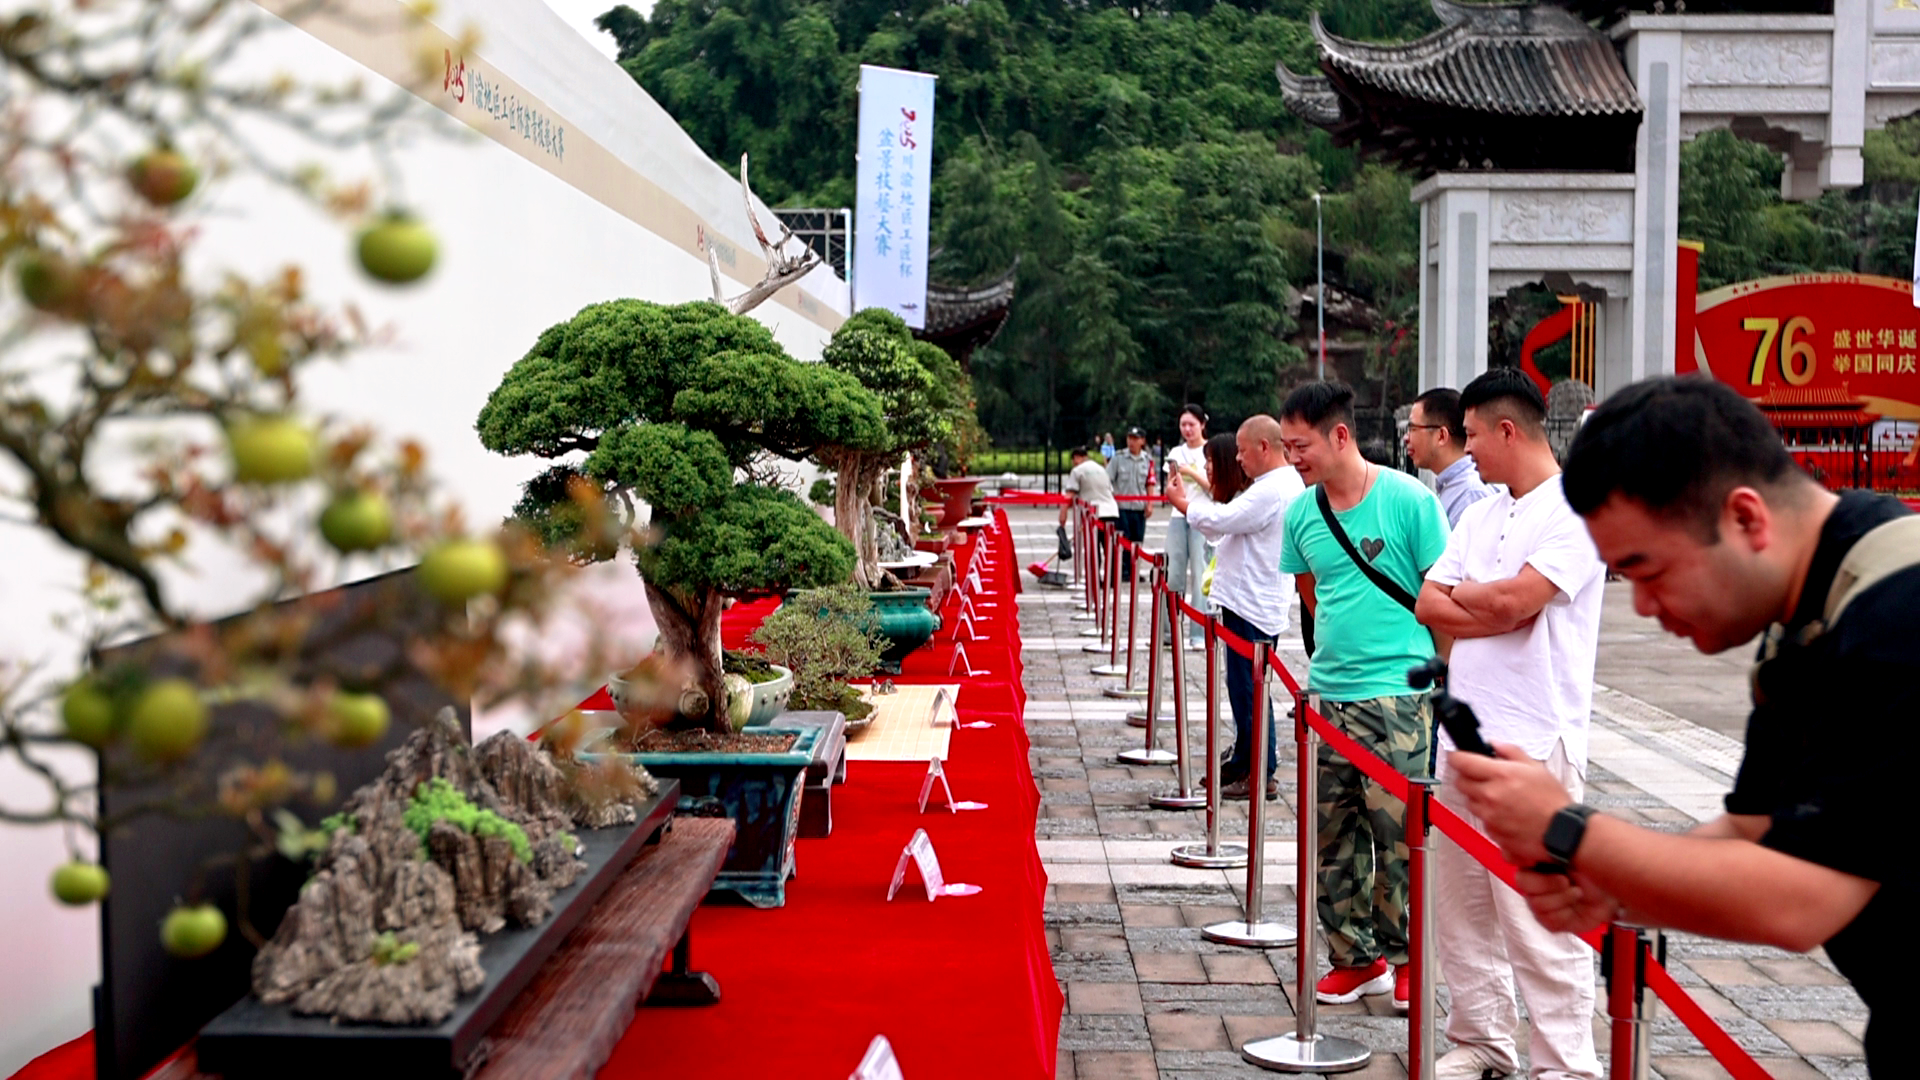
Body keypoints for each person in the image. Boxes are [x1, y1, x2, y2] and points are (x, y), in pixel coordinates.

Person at [1450, 376, 1918, 1077]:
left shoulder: (1897, 616)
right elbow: (1751, 830)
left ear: (1746, 518)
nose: (1643, 607)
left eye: (1648, 569)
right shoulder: (1811, 611)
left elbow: (1800, 900)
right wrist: (1609, 883)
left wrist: (1570, 831)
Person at [1413, 369, 1605, 1080]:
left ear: (1506, 430)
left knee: (1538, 913)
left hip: (1536, 741)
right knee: (1462, 906)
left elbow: (1518, 603)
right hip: (1464, 740)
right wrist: (1493, 605)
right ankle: (1482, 1039)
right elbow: (1430, 604)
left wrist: (1483, 601)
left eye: (1470, 436)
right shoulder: (1481, 513)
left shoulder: (1574, 512)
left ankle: (1565, 1063)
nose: (1465, 451)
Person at [1277, 380, 1450, 1012]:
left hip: (1398, 696)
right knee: (1333, 835)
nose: (1292, 458)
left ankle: (1407, 959)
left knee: (1398, 837)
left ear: (1340, 435)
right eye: (1286, 446)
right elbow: (1310, 593)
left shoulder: (1410, 502)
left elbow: (1441, 595)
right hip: (1329, 698)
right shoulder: (1301, 514)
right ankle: (1354, 958)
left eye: (1301, 445)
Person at [1167, 418, 1304, 800]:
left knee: (1250, 689)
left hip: (1252, 602)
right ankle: (1247, 757)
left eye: (1243, 451)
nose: (1238, 459)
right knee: (1244, 687)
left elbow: (1224, 519)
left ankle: (1261, 769)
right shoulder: (1276, 484)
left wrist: (1183, 504)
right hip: (1252, 598)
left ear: (1264, 447)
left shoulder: (1272, 489)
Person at [1407, 386, 1496, 527]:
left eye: (1413, 429)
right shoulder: (1455, 487)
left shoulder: (1470, 494)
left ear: (1441, 436)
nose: (1406, 438)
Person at [1163, 405, 1213, 645]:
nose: (1187, 429)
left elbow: (1214, 488)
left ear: (1202, 424)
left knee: (1201, 574)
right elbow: (1170, 485)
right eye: (1183, 425)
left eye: (1192, 424)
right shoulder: (1176, 452)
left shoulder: (1210, 451)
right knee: (1173, 573)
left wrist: (1191, 474)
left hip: (1202, 515)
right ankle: (1168, 632)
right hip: (1178, 516)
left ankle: (1198, 633)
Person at [1061, 445, 1118, 579]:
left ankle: (1095, 579)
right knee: (1110, 549)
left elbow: (1069, 494)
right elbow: (1110, 490)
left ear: (1076, 458)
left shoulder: (1077, 471)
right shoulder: (1101, 469)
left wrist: (1062, 515)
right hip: (1111, 512)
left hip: (1093, 514)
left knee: (1093, 550)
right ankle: (1112, 579)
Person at [1109, 426, 1154, 578]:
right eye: (1129, 438)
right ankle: (1121, 570)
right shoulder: (1118, 458)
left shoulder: (1147, 460)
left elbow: (1149, 483)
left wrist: (1149, 504)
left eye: (1135, 439)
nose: (1131, 442)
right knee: (1123, 539)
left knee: (1137, 540)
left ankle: (1133, 571)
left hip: (1139, 507)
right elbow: (1108, 479)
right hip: (1121, 507)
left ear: (1142, 441)